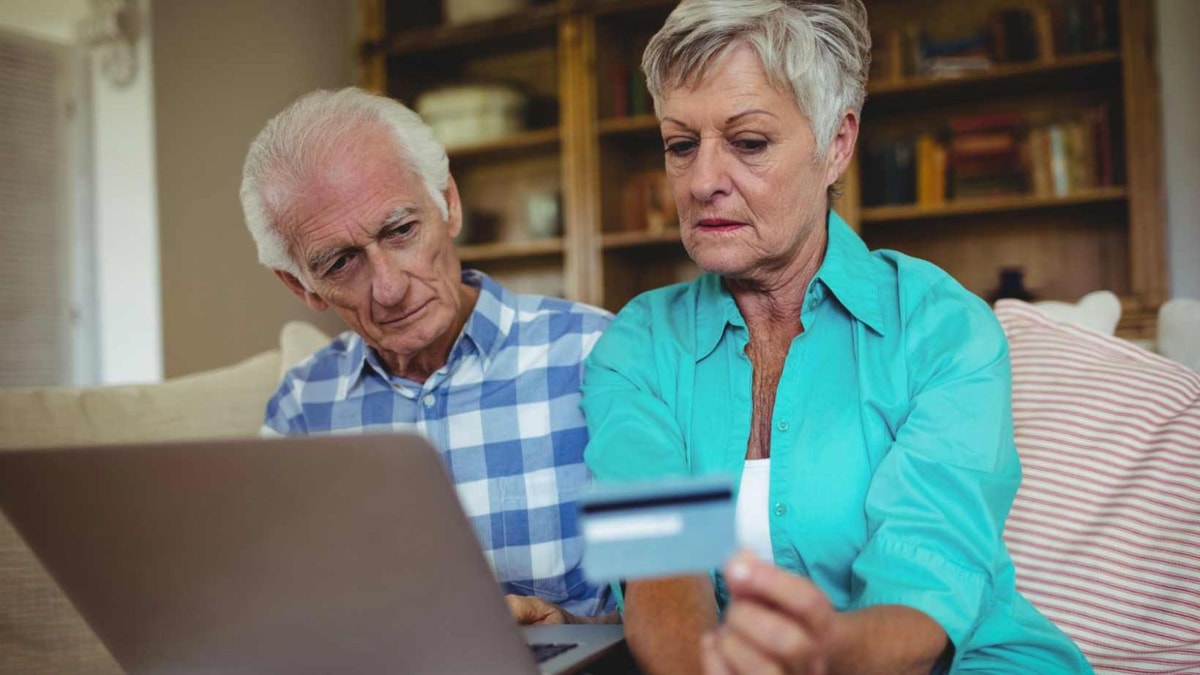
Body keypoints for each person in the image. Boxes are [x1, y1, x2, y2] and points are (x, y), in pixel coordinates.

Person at [579, 1, 1092, 672]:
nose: (702, 182)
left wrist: (826, 652)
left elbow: (927, 574)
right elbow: (659, 569)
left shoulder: (941, 328)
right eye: (681, 145)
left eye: (749, 142)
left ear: (837, 145)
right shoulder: (637, 346)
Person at [240, 87, 614, 625]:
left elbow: (688, 604)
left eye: (401, 231)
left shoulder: (598, 354)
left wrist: (571, 628)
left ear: (448, 204)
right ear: (301, 286)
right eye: (341, 262)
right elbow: (277, 612)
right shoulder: (301, 410)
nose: (390, 288)